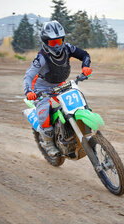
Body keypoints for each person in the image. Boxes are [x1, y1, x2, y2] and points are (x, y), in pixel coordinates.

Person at [23, 21, 92, 157]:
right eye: (53, 43)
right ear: (46, 42)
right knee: (44, 111)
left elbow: (85, 54)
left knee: (77, 98)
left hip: (60, 84)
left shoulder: (68, 48)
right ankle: (48, 143)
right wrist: (29, 92)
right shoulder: (41, 58)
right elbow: (29, 75)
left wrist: (85, 66)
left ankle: (83, 125)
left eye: (59, 41)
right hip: (41, 89)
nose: (57, 45)